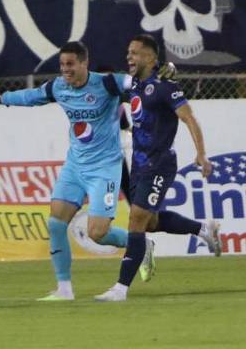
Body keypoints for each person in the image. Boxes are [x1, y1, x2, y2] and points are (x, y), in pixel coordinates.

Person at [0, 42, 134, 302]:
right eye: (62, 65)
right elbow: (31, 96)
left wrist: (155, 82)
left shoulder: (106, 84)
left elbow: (134, 83)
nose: (65, 70)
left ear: (84, 63)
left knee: (97, 233)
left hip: (105, 168)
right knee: (56, 223)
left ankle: (140, 243)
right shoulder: (59, 87)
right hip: (75, 166)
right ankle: (64, 289)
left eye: (70, 64)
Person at [94, 34, 222, 302]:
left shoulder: (165, 87)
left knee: (136, 219)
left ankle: (121, 288)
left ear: (151, 57)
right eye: (128, 52)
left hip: (160, 163)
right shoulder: (135, 85)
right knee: (149, 222)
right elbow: (106, 83)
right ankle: (202, 230)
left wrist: (201, 154)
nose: (129, 57)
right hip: (139, 164)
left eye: (135, 53)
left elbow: (189, 118)